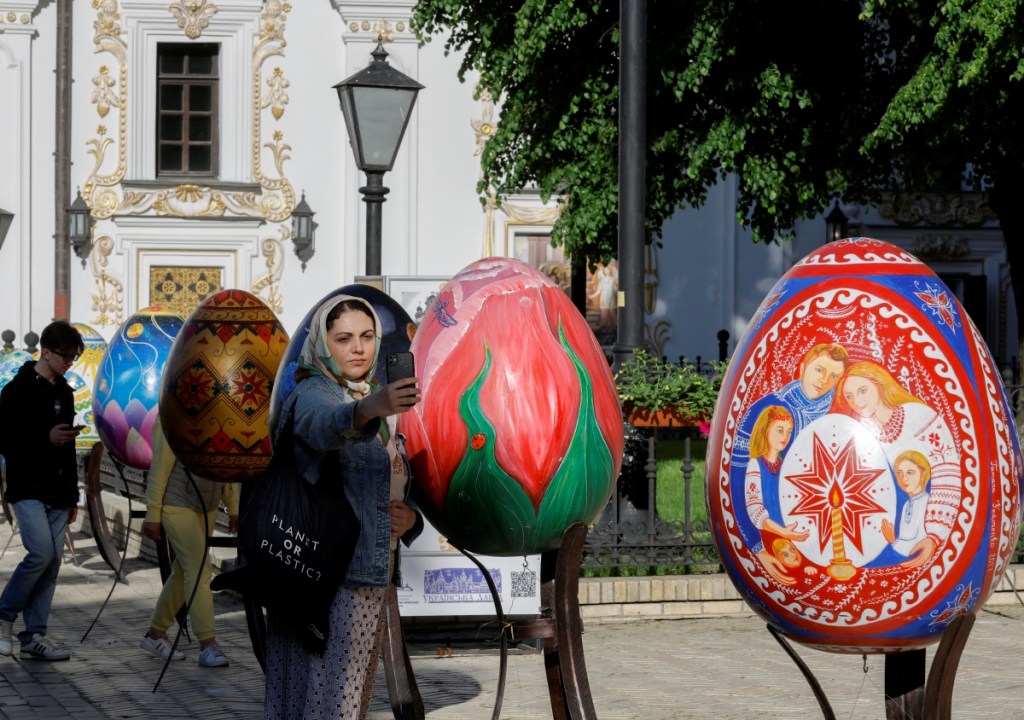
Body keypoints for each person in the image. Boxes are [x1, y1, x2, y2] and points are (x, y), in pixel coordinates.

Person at [263, 295, 423, 720]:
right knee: (325, 702)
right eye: (344, 338)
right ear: (322, 344)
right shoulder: (314, 393)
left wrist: (410, 520)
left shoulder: (376, 400)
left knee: (345, 702)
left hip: (369, 575)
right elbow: (323, 427)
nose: (358, 348)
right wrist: (369, 409)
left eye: (367, 336)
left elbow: (395, 483)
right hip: (324, 580)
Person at [0, 321, 84, 660]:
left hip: (59, 489)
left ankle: (35, 634)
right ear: (45, 352)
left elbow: (66, 446)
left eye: (73, 357)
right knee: (41, 554)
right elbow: (6, 440)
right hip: (27, 485)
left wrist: (74, 494)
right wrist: (44, 438)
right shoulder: (16, 391)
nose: (68, 362)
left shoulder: (64, 391)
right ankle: (4, 615)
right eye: (65, 356)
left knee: (52, 564)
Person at [831, 360, 959, 566]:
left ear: (879, 385)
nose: (857, 401)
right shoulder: (860, 432)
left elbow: (947, 474)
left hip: (925, 521)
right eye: (849, 396)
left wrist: (935, 535)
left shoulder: (918, 417)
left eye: (863, 391)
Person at [139, 418, 239, 667]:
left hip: (207, 504)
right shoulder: (171, 415)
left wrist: (234, 507)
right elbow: (159, 468)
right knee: (200, 569)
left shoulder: (221, 411)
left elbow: (225, 463)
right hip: (175, 503)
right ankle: (208, 643)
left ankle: (155, 634)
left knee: (183, 571)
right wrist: (153, 514)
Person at [741, 406, 808, 585]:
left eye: (788, 432)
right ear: (765, 430)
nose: (784, 437)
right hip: (773, 537)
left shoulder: (784, 466)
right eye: (779, 430)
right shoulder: (756, 465)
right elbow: (755, 510)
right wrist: (783, 531)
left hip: (790, 534)